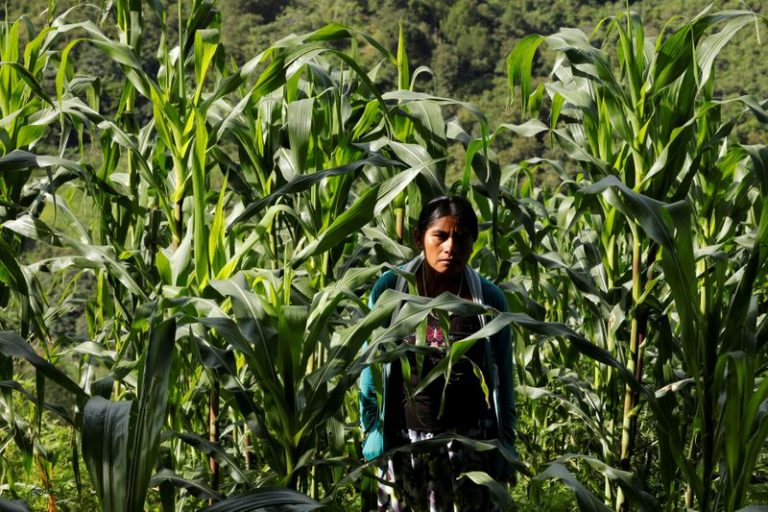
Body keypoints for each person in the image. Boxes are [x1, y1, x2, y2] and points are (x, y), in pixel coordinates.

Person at [359, 195, 517, 512]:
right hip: (406, 441)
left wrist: (506, 443)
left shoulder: (487, 298)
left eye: (461, 238)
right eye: (440, 236)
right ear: (420, 239)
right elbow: (370, 366)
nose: (450, 247)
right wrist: (373, 429)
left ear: (473, 243)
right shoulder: (391, 289)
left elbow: (503, 377)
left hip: (471, 444)